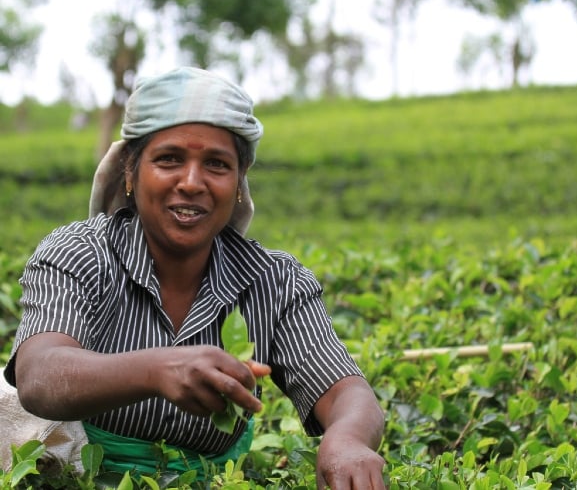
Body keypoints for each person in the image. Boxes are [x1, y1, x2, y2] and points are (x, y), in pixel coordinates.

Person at [3, 67, 385, 488]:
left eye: (217, 165)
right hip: (76, 477)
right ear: (130, 172)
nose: (191, 182)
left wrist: (347, 439)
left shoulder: (275, 281)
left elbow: (345, 390)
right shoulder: (81, 252)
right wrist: (157, 368)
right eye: (169, 159)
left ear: (239, 183)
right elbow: (39, 375)